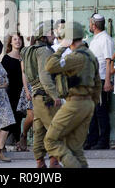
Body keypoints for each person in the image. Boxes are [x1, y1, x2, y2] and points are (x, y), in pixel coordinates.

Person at [44, 22, 101, 168]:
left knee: (51, 141)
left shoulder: (75, 57)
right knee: (75, 148)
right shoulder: (91, 56)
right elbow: (97, 84)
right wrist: (92, 104)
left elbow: (50, 66)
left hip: (74, 103)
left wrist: (61, 48)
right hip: (88, 104)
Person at [21, 20, 62, 168]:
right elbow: (45, 75)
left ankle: (40, 161)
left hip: (36, 96)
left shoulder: (31, 50)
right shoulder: (44, 51)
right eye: (50, 33)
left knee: (39, 130)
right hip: (45, 96)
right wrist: (54, 95)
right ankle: (54, 161)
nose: (54, 35)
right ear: (43, 36)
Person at [85, 13, 114, 150]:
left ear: (94, 25)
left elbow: (109, 61)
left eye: (90, 23)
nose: (89, 26)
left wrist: (107, 81)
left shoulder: (106, 39)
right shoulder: (95, 39)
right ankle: (92, 140)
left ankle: (103, 141)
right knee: (92, 112)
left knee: (101, 112)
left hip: (102, 80)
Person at [1, 33, 27, 150]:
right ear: (10, 42)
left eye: (19, 39)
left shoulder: (24, 57)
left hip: (22, 90)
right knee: (12, 116)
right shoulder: (6, 58)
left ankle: (16, 142)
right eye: (15, 39)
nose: (17, 41)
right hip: (10, 92)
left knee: (19, 116)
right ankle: (4, 142)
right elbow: (2, 76)